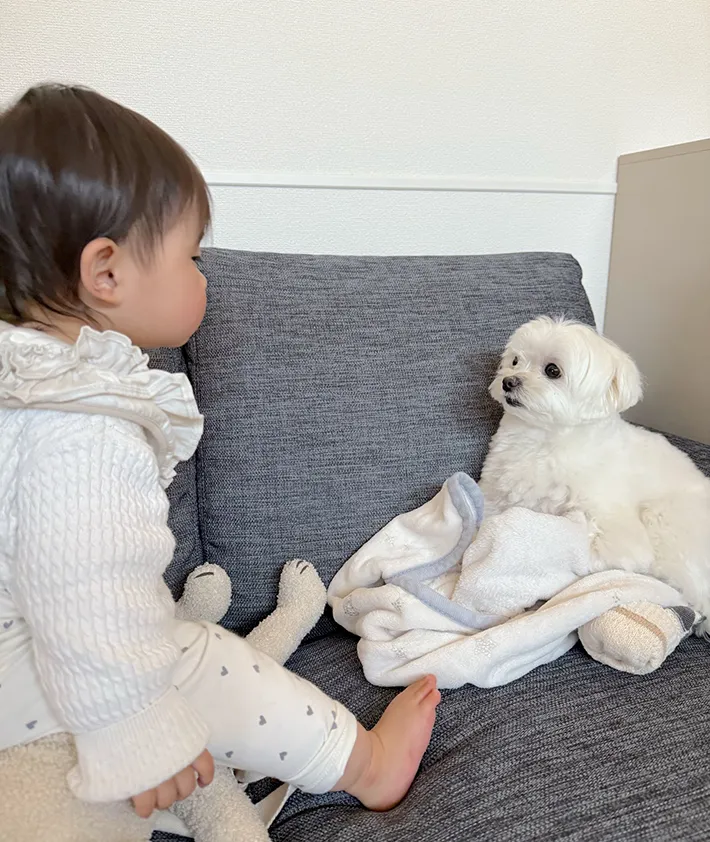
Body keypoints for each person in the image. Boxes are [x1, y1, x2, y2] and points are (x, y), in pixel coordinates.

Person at [0, 84, 440, 821]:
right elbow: (88, 589)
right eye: (192, 256)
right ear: (105, 272)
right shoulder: (74, 422)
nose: (204, 276)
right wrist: (137, 733)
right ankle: (367, 763)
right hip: (30, 669)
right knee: (202, 659)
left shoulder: (27, 383)